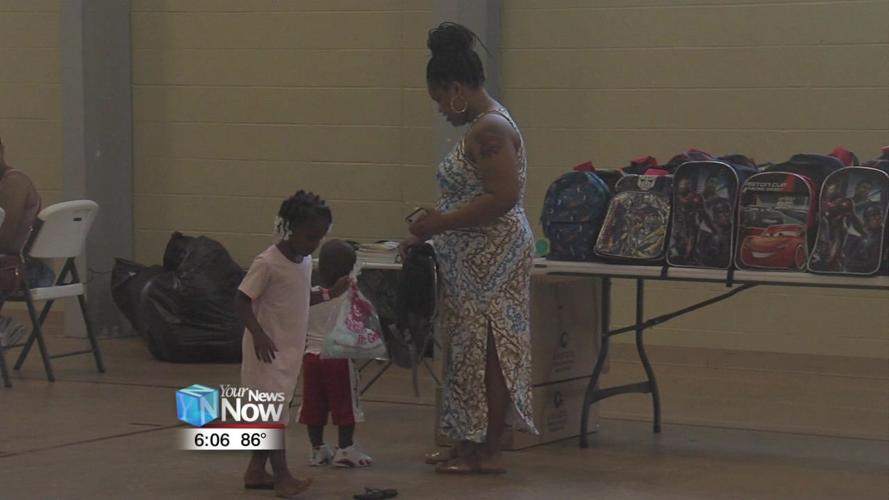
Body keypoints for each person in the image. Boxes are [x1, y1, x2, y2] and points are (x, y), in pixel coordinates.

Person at [400, 22, 537, 475]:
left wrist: (440, 223)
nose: (441, 110)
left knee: (489, 350)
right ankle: (465, 441)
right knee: (464, 350)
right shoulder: (482, 127)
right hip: (468, 257)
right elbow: (473, 194)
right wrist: (432, 227)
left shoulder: (490, 129)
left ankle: (489, 449)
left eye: (440, 99)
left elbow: (503, 197)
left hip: (494, 256)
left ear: (456, 89)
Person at [235, 191, 349, 498]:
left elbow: (298, 299)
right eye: (310, 237)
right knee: (271, 413)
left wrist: (330, 293)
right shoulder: (267, 263)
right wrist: (258, 334)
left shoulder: (304, 262)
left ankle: (256, 470)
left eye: (320, 238)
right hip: (266, 350)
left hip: (289, 349)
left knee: (271, 411)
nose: (315, 244)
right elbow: (241, 300)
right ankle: (283, 477)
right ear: (289, 228)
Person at [298, 239, 373, 468]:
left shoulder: (311, 295)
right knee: (345, 405)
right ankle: (345, 449)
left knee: (313, 405)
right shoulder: (351, 296)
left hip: (311, 357)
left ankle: (317, 449)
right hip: (338, 357)